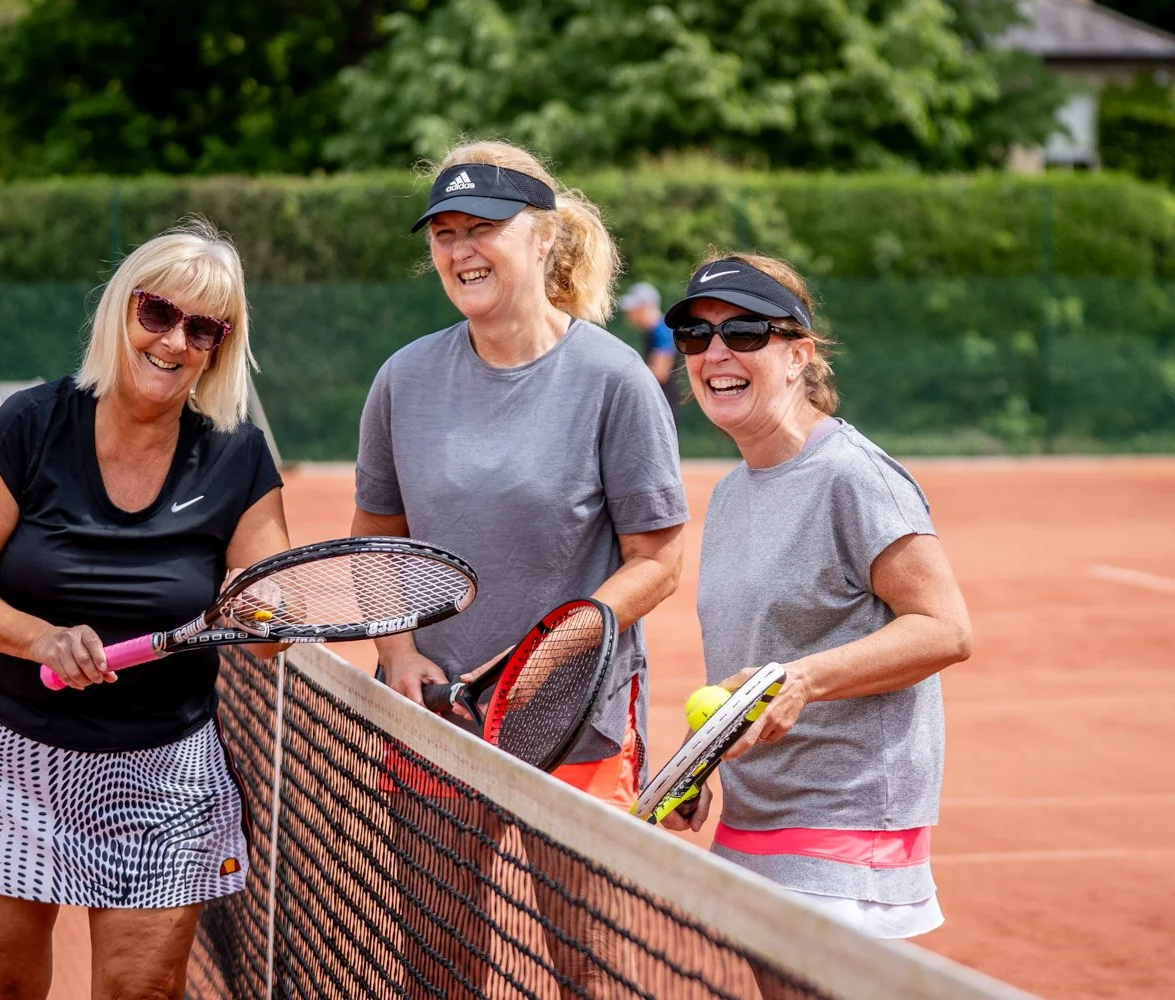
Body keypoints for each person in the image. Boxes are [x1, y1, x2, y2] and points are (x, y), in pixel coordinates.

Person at [0, 219, 288, 1000]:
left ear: (219, 347)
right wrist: (40, 639)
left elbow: (263, 618)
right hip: (6, 759)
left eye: (203, 328)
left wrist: (269, 613)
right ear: (121, 311)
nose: (173, 340)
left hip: (164, 774)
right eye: (157, 313)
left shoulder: (238, 456)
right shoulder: (29, 424)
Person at [353, 140, 688, 993]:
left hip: (580, 722)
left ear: (542, 238)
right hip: (435, 719)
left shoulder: (617, 381)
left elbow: (658, 560)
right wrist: (397, 653)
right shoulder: (402, 379)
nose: (461, 250)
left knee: (588, 967)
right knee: (439, 970)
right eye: (444, 234)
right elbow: (376, 534)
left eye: (484, 229)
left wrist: (557, 649)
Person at [657, 251, 972, 945]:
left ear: (799, 355)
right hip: (755, 817)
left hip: (846, 822)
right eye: (696, 337)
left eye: (744, 333)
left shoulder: (852, 476)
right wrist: (697, 759)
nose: (716, 353)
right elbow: (752, 661)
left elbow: (946, 629)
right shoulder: (734, 491)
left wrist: (801, 682)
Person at [618, 280, 681, 421]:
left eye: (633, 308)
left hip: (661, 408)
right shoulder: (652, 331)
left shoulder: (662, 330)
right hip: (656, 404)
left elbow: (659, 373)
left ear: (645, 307)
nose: (629, 314)